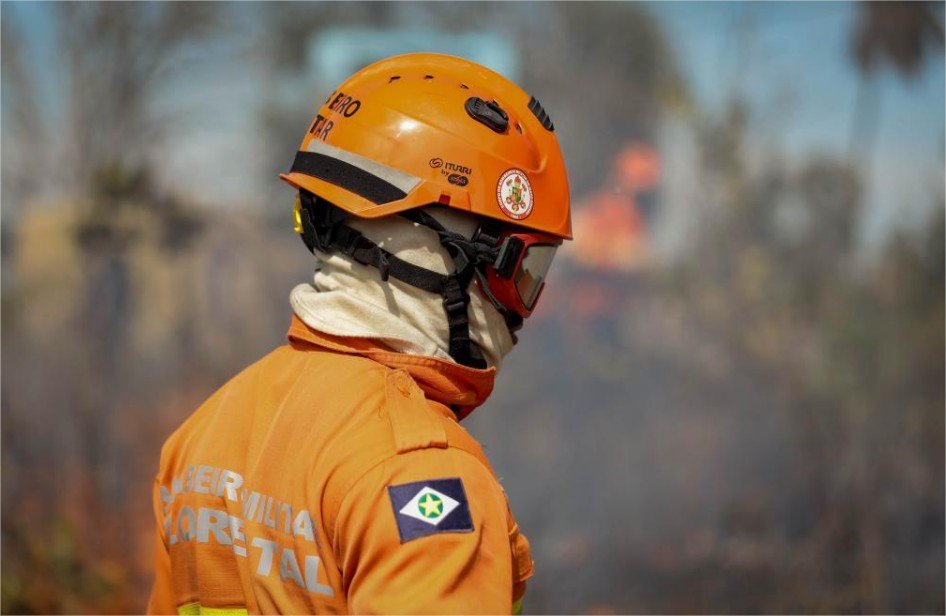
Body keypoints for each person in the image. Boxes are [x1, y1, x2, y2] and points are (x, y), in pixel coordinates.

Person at [148, 52, 571, 615]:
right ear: (435, 254)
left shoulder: (203, 435)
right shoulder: (424, 478)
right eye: (521, 272)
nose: (520, 312)